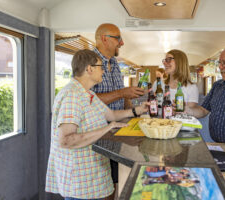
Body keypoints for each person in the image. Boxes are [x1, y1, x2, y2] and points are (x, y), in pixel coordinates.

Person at [45, 49, 148, 200]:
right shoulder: (72, 95)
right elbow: (66, 140)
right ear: (89, 69)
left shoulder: (89, 94)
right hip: (79, 182)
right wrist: (108, 127)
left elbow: (111, 115)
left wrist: (137, 110)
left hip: (93, 175)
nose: (104, 71)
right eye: (101, 67)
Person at [91, 23, 144, 198]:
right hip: (97, 131)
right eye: (118, 38)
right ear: (104, 38)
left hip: (117, 128)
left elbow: (123, 95)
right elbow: (87, 99)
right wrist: (122, 92)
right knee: (100, 182)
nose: (121, 43)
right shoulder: (89, 61)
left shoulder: (115, 62)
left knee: (115, 177)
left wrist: (134, 114)